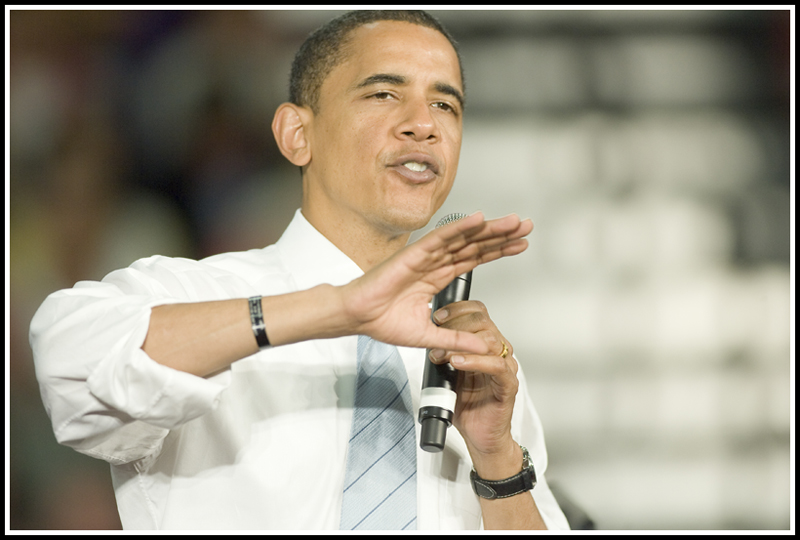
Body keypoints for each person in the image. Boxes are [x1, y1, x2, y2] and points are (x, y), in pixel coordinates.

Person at [30, 10, 570, 530]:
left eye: (445, 106)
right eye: (384, 93)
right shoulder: (198, 292)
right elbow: (70, 360)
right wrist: (340, 308)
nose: (423, 125)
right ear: (296, 135)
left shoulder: (471, 364)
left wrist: (497, 460)